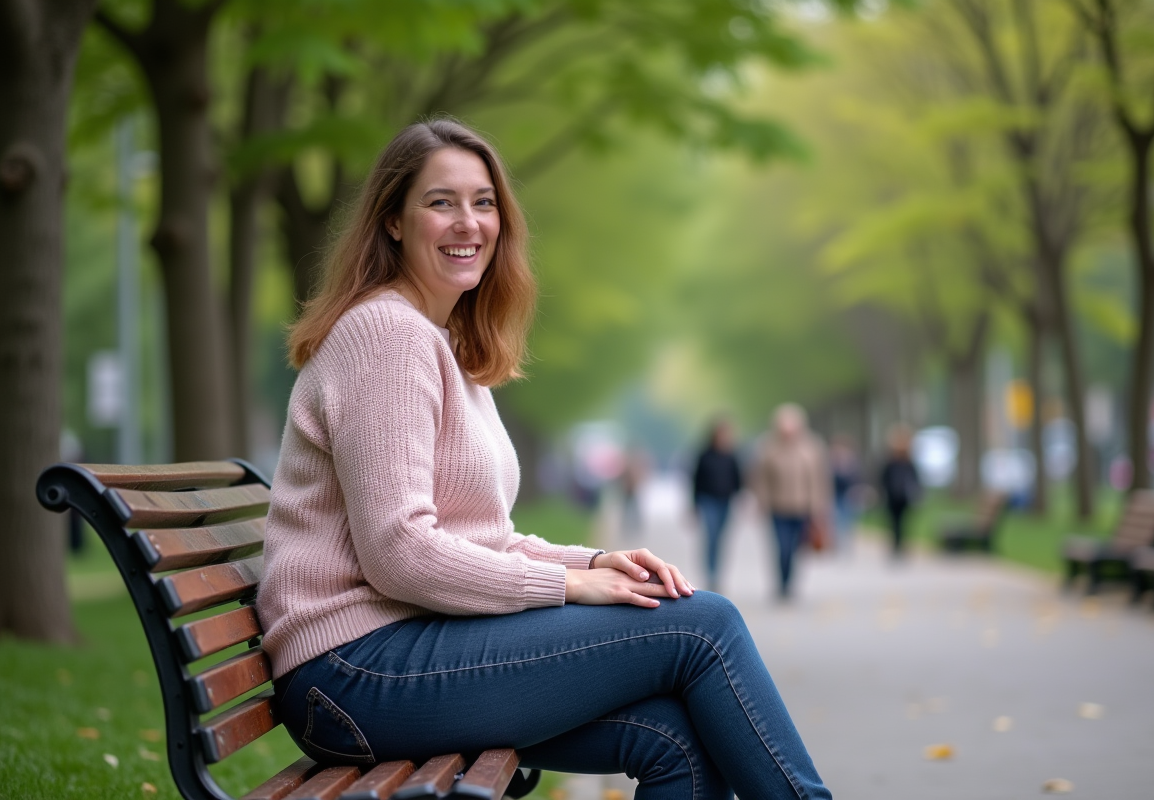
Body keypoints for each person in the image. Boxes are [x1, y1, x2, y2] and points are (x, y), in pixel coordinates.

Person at [257, 119, 831, 800]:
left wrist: (588, 562)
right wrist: (565, 587)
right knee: (705, 626)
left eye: (484, 201)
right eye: (440, 202)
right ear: (392, 222)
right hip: (355, 673)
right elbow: (400, 552)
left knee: (676, 737)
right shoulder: (385, 334)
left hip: (405, 654)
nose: (468, 221)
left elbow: (483, 540)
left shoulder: (444, 346)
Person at [751, 404, 832, 600]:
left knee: (796, 548)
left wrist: (820, 505)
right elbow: (760, 478)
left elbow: (820, 479)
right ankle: (782, 582)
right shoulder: (768, 447)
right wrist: (762, 501)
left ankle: (791, 583)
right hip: (778, 507)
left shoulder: (812, 447)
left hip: (803, 507)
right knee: (782, 547)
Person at [691, 416, 742, 593]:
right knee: (711, 536)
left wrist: (740, 497)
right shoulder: (705, 455)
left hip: (725, 501)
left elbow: (738, 478)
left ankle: (718, 572)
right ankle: (711, 574)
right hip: (708, 500)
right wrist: (694, 504)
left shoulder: (731, 455)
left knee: (721, 538)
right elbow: (695, 481)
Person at [878, 423, 921, 558]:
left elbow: (915, 478)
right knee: (894, 522)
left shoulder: (908, 462)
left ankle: (900, 544)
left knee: (901, 522)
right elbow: (883, 478)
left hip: (904, 497)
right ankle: (896, 544)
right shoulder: (891, 462)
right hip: (892, 497)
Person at [828, 435, 862, 556]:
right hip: (835, 494)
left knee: (847, 519)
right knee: (835, 519)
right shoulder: (831, 462)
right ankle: (837, 542)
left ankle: (846, 542)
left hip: (848, 494)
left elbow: (857, 478)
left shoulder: (852, 462)